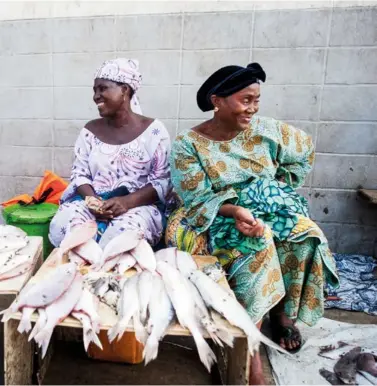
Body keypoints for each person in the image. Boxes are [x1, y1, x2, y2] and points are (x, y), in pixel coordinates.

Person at [166, 63, 339, 384]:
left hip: (264, 200)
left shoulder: (267, 131)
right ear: (218, 101)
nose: (253, 108)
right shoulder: (187, 145)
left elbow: (304, 149)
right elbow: (196, 200)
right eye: (245, 100)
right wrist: (235, 211)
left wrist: (278, 187)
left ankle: (284, 316)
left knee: (306, 234)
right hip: (216, 211)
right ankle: (248, 343)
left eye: (256, 100)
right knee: (256, 243)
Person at [49, 58, 171, 249]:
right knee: (67, 224)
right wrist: (92, 202)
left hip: (138, 206)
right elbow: (79, 174)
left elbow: (162, 181)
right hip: (92, 201)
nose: (96, 96)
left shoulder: (154, 131)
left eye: (103, 88)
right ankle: (80, 275)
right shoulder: (89, 131)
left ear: (125, 89)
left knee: (122, 237)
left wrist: (126, 202)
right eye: (95, 90)